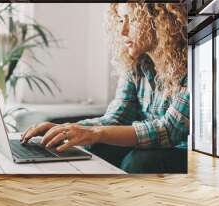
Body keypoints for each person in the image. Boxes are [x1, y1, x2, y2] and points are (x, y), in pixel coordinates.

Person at [20, 3, 189, 173]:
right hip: (152, 145)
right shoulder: (136, 64)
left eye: (134, 19)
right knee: (96, 147)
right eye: (121, 19)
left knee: (138, 162)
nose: (123, 31)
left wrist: (96, 133)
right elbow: (117, 117)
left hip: (184, 152)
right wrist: (66, 130)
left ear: (161, 20)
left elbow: (170, 130)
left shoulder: (189, 63)